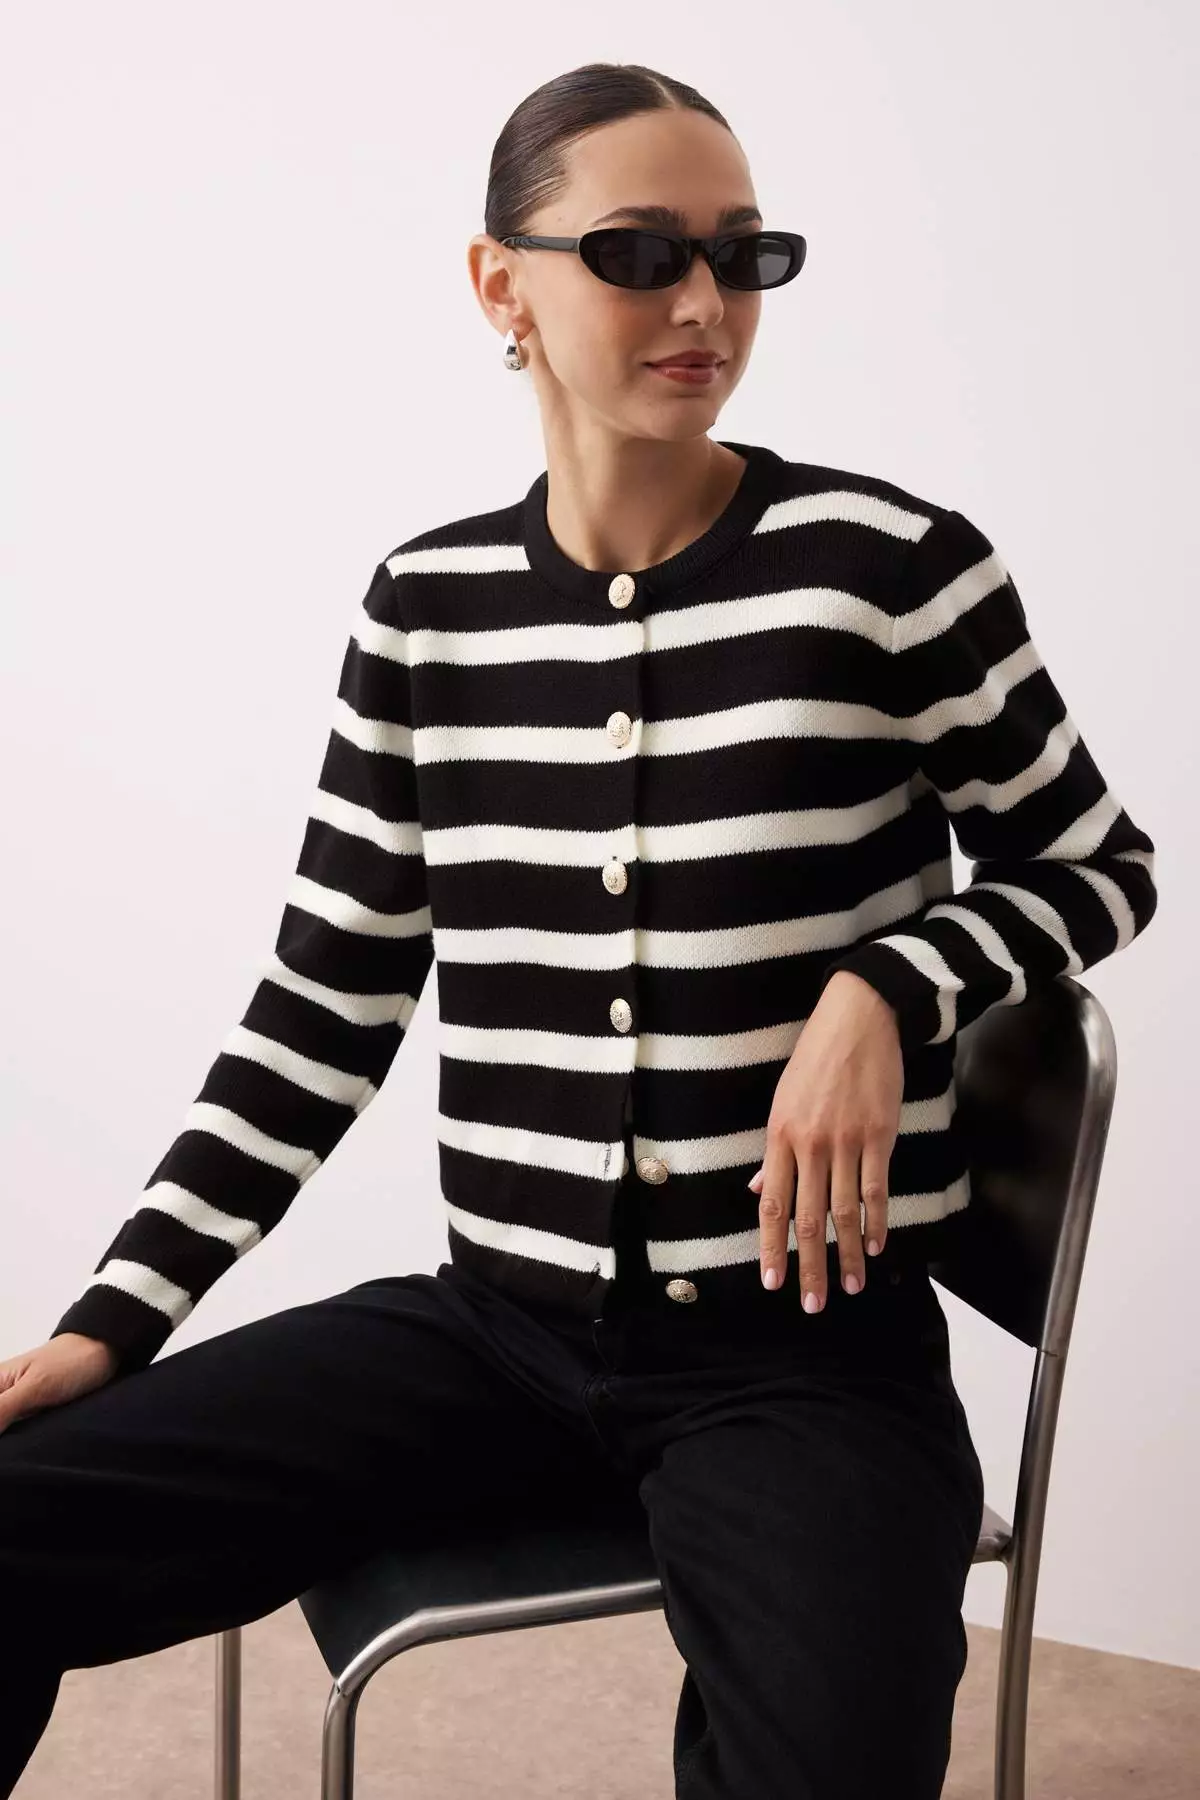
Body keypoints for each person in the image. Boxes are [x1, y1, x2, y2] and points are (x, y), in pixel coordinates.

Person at [0, 61, 1157, 1800]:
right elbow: (323, 1005)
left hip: (806, 1361)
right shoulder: (429, 610)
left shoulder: (891, 569)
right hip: (496, 1336)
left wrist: (886, 986)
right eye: (638, 252)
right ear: (503, 285)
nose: (704, 303)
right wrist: (118, 1316)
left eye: (742, 255)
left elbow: (1097, 865)